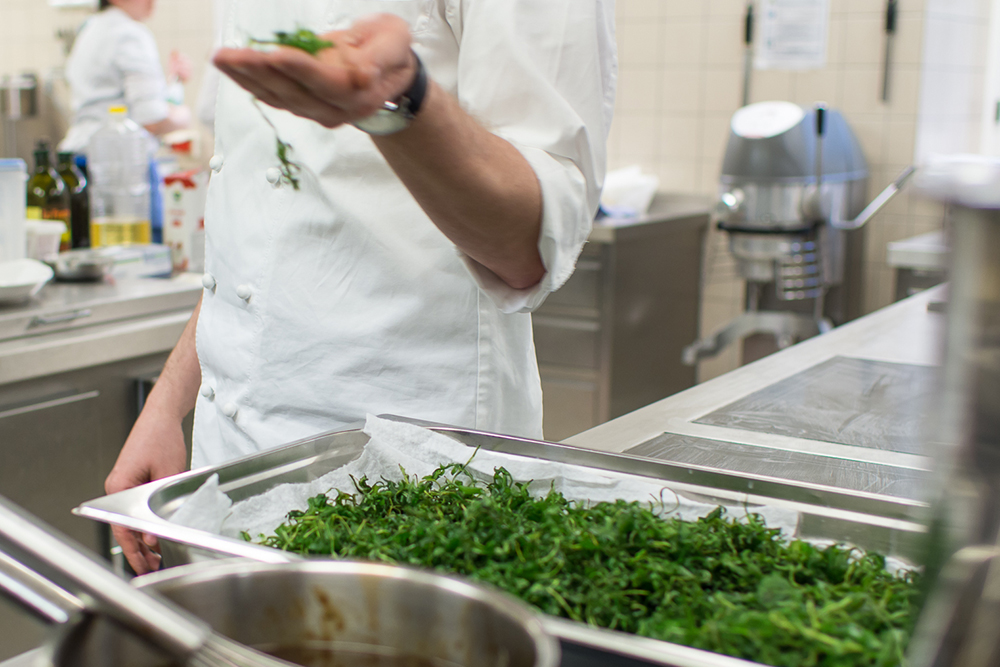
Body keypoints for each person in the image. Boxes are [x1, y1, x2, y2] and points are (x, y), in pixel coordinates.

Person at [106, 1, 617, 574]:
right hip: (230, 463)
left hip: (411, 479)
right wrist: (166, 405)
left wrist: (398, 103)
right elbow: (263, 236)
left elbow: (530, 249)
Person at [60, 0, 192, 153]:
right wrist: (184, 116)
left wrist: (174, 82)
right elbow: (153, 121)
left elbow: (112, 99)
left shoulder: (91, 27)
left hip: (82, 150)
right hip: (113, 156)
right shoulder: (129, 33)